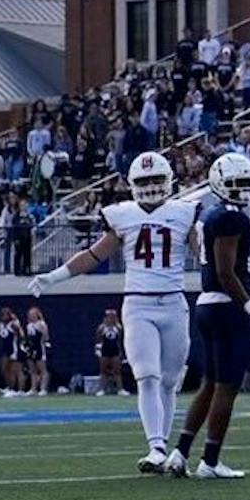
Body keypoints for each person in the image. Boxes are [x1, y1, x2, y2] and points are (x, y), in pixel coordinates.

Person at [31, 152, 199, 473]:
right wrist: (54, 276)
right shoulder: (123, 216)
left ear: (168, 181)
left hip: (174, 303)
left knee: (168, 380)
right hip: (138, 304)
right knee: (146, 375)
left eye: (155, 179)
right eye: (144, 181)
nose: (150, 186)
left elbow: (202, 252)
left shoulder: (185, 213)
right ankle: (156, 447)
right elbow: (93, 255)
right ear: (133, 184)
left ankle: (162, 442)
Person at [167, 152, 250, 478]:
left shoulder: (212, 214)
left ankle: (180, 453)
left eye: (247, 184)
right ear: (219, 184)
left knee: (210, 383)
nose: (243, 191)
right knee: (227, 386)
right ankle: (211, 461)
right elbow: (226, 272)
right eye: (237, 184)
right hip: (225, 307)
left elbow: (224, 274)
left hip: (208, 303)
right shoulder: (232, 217)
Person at [96, 310, 126, 397]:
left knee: (117, 371)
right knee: (103, 371)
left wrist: (120, 352)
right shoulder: (101, 328)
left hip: (115, 351)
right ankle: (102, 389)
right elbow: (98, 339)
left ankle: (120, 389)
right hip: (104, 351)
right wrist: (98, 351)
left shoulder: (118, 327)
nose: (111, 318)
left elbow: (120, 340)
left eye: (113, 317)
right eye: (109, 316)